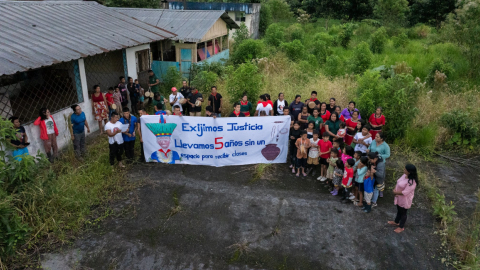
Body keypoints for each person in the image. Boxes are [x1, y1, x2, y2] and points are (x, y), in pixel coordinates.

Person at [388, 164, 418, 233]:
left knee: (403, 213)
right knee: (399, 210)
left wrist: (396, 193)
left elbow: (405, 192)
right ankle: (396, 221)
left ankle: (401, 227)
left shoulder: (412, 182)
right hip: (399, 197)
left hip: (405, 199)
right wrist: (395, 189)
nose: (404, 170)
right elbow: (398, 182)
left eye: (405, 169)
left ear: (409, 172)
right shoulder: (404, 175)